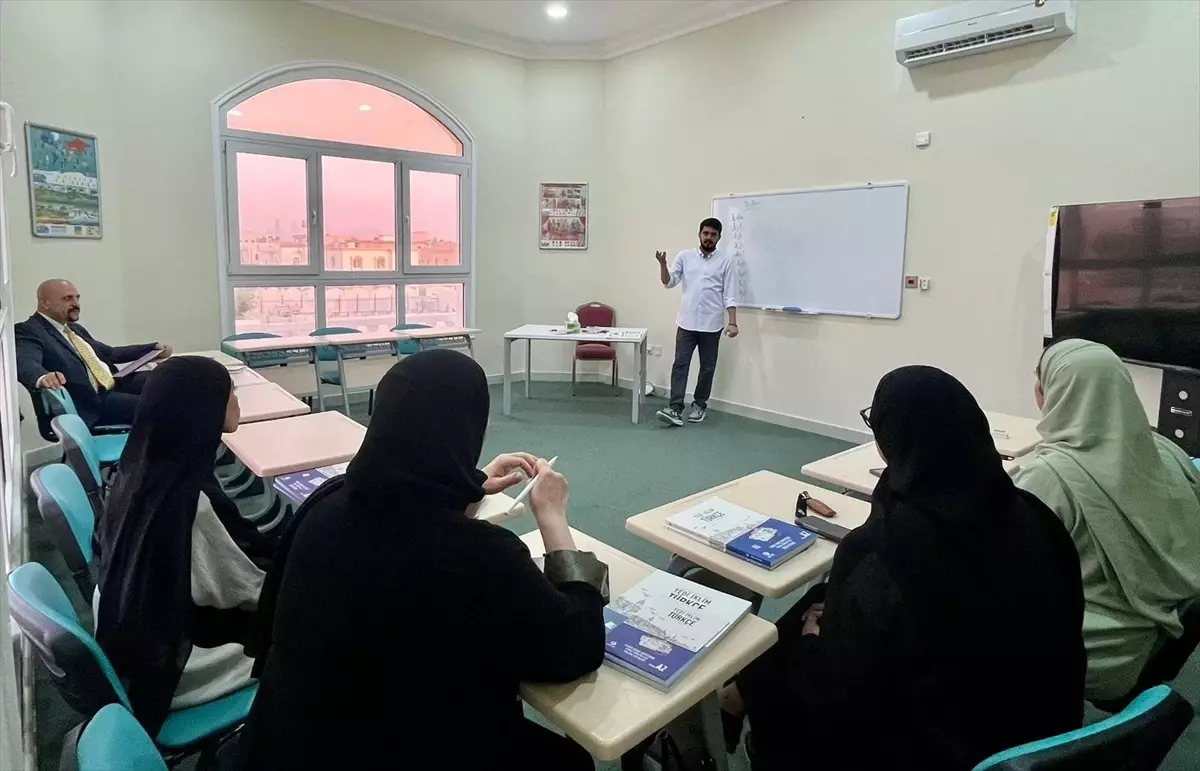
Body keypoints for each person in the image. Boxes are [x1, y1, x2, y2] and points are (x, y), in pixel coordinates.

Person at [240, 350, 609, 771]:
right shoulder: (480, 554)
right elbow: (577, 646)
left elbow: (416, 508)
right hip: (404, 746)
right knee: (570, 762)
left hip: (292, 740)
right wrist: (554, 517)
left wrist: (468, 483)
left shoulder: (326, 504)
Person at [721, 366, 1085, 771]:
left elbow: (840, 701)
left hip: (937, 749)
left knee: (790, 666)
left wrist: (811, 645)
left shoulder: (880, 553)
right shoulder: (1038, 518)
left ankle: (735, 701)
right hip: (1043, 738)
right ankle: (736, 694)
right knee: (820, 600)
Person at [1015, 339, 1200, 702]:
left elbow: (1004, 567)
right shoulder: (1168, 451)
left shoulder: (1049, 479)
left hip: (1101, 655)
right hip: (1167, 629)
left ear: (1051, 393)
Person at [94, 356, 266, 735]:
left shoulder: (133, 469)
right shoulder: (193, 502)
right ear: (204, 408)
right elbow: (249, 590)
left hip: (137, 645)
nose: (237, 401)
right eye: (230, 393)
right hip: (185, 666)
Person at [15, 279, 171, 429]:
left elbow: (110, 353)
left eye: (77, 298)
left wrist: (153, 349)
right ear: (45, 303)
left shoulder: (73, 329)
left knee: (165, 380)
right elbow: (24, 361)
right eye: (67, 298)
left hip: (113, 385)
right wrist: (42, 376)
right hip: (92, 403)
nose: (75, 303)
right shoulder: (28, 330)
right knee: (160, 406)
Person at [655, 217, 738, 427]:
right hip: (686, 322)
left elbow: (730, 295)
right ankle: (675, 408)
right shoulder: (685, 256)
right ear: (699, 234)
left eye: (713, 235)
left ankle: (699, 405)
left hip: (712, 324)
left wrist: (733, 322)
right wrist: (663, 265)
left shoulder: (726, 261)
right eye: (705, 233)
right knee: (680, 365)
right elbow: (669, 282)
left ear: (719, 237)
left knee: (707, 368)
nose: (709, 237)